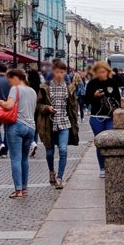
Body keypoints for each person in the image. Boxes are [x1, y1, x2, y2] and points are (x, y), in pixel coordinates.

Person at [3, 67, 38, 199]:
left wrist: (2, 103)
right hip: (31, 127)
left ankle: (18, 190)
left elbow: (9, 106)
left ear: (16, 78)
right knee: (24, 158)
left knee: (15, 158)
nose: (10, 83)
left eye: (10, 80)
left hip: (17, 125)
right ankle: (24, 187)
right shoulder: (32, 91)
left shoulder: (15, 89)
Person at [84, 61, 121, 177]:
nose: (101, 74)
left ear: (108, 72)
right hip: (96, 116)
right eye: (99, 72)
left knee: (110, 141)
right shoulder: (92, 84)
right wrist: (94, 96)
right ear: (95, 73)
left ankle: (111, 165)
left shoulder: (112, 83)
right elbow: (86, 100)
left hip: (110, 116)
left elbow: (118, 99)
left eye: (103, 72)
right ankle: (102, 168)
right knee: (100, 142)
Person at [41, 60, 74, 189]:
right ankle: (51, 171)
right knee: (49, 153)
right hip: (49, 124)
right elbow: (38, 105)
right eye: (57, 72)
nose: (60, 74)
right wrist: (47, 108)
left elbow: (72, 106)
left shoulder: (68, 87)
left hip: (64, 122)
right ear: (53, 72)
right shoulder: (45, 87)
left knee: (63, 150)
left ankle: (60, 178)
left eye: (62, 72)